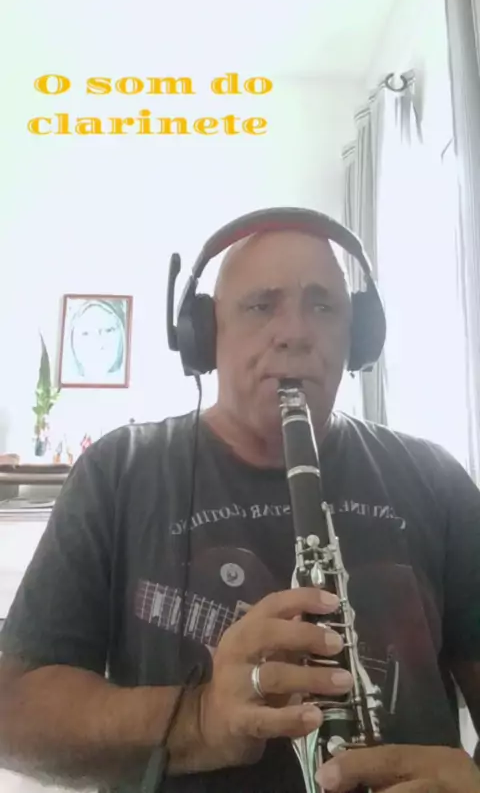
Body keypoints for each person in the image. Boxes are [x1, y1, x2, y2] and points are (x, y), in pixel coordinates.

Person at [1, 210, 480, 793]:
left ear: (360, 336)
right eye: (260, 306)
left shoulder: (436, 478)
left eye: (323, 306)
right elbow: (12, 712)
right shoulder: (117, 471)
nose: (295, 332)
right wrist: (199, 719)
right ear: (204, 336)